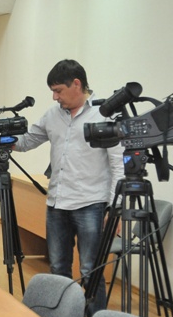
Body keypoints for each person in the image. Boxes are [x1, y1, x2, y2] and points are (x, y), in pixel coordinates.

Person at [12, 59, 123, 283]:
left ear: (76, 84)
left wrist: (115, 208)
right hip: (57, 204)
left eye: (58, 91)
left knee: (91, 272)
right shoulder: (52, 115)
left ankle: (92, 309)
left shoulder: (104, 114)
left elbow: (119, 165)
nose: (55, 97)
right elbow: (26, 142)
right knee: (57, 268)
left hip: (91, 204)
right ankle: (61, 308)